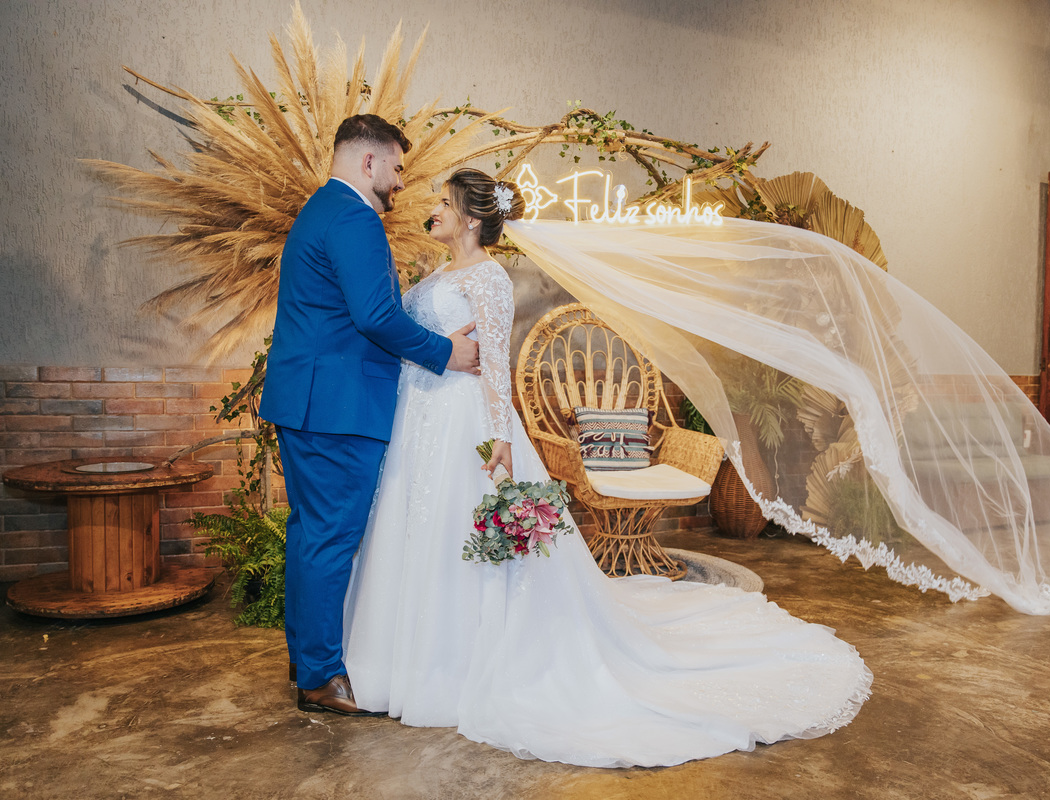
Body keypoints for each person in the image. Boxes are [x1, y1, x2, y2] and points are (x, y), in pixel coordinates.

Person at [341, 169, 873, 767]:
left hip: (462, 422)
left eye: (444, 202)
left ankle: (459, 660)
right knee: (420, 532)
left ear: (470, 219)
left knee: (465, 537)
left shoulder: (488, 277)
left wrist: (501, 440)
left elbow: (495, 365)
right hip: (420, 418)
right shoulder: (439, 274)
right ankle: (410, 654)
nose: (433, 209)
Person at [259, 115, 481, 717]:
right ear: (368, 162)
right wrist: (446, 352)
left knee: (311, 533)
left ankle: (308, 658)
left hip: (310, 401)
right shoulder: (354, 218)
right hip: (337, 407)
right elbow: (375, 317)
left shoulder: (321, 210)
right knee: (330, 536)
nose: (401, 181)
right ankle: (320, 678)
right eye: (397, 167)